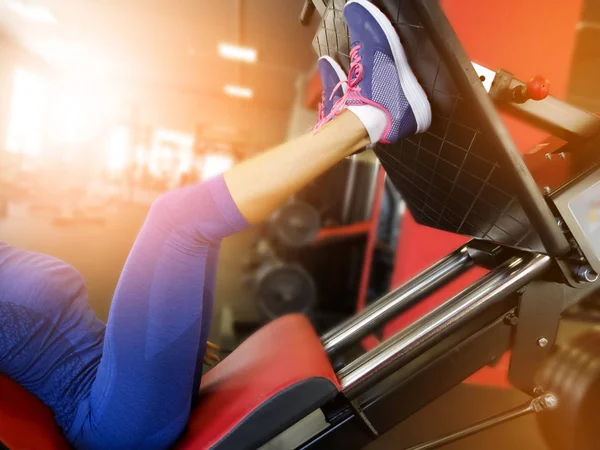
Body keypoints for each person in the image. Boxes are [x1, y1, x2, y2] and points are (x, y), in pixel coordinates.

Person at [0, 1, 431, 449]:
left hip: (116, 380)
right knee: (177, 222)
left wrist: (153, 338)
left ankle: (339, 133)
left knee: (190, 233)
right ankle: (375, 113)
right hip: (109, 421)